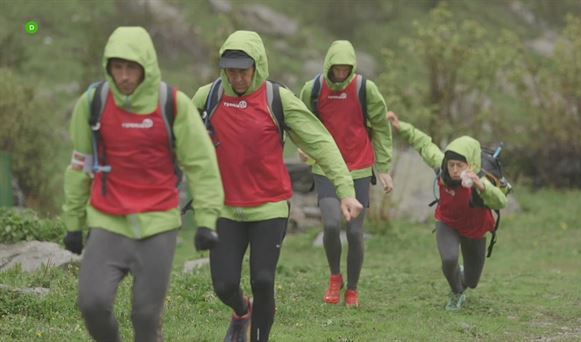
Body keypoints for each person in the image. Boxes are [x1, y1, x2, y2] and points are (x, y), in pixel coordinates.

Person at [192, 30, 363, 342]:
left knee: (262, 278)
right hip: (224, 207)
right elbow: (180, 138)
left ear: (257, 66)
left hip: (269, 206)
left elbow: (321, 143)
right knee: (224, 284)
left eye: (243, 71)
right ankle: (242, 311)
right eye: (231, 71)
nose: (238, 78)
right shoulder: (209, 97)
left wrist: (346, 190)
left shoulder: (277, 99)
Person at [62, 26, 224, 341]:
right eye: (117, 67)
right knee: (92, 304)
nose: (123, 76)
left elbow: (201, 165)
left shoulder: (172, 104)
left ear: (146, 67)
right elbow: (80, 165)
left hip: (158, 223)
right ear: (108, 67)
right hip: (108, 221)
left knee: (146, 317)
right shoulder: (93, 103)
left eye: (131, 68)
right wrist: (73, 222)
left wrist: (206, 220)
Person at [299, 40, 394, 308]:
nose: (340, 74)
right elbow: (300, 121)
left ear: (351, 68)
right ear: (328, 66)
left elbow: (380, 127)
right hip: (326, 166)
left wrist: (384, 168)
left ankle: (352, 288)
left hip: (359, 168)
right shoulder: (313, 89)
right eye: (336, 69)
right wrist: (303, 147)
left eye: (345, 69)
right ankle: (335, 277)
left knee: (354, 232)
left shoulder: (365, 89)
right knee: (330, 224)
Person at [386, 111, 507, 311]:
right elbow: (424, 143)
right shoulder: (442, 168)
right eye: (451, 165)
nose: (455, 170)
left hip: (475, 229)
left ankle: (463, 279)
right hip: (447, 222)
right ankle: (456, 293)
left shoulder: (481, 181)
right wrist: (401, 127)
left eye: (460, 165)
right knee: (449, 259)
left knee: (472, 280)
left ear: (472, 165)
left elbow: (501, 201)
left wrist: (482, 187)